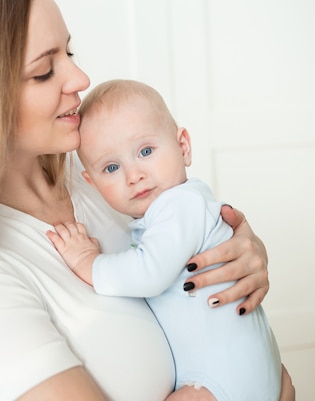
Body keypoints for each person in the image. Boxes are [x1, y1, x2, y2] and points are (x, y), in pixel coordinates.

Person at [0, 0, 295, 401]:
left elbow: (181, 242)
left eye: (68, 52)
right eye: (43, 71)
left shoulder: (96, 173)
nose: (81, 77)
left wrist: (237, 250)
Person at [47, 79, 282, 401]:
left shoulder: (180, 204)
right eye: (112, 167)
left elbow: (149, 273)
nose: (134, 175)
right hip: (226, 371)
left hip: (222, 376)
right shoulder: (167, 210)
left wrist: (88, 262)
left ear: (182, 145)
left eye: (145, 151)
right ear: (92, 183)